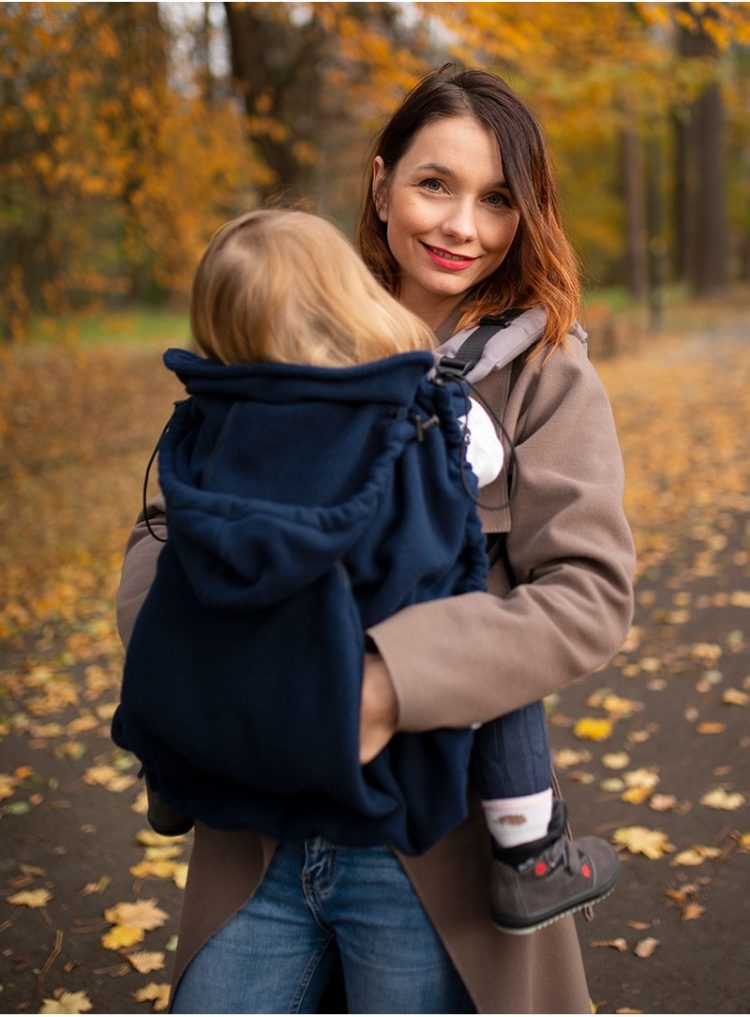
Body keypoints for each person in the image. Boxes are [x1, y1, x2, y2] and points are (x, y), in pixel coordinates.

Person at [115, 65, 635, 1013]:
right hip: (253, 834)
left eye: (496, 201)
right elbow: (170, 517)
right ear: (381, 182)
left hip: (433, 857)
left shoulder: (545, 378)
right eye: (435, 184)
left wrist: (388, 684)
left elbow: (588, 595)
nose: (461, 226)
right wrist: (189, 667)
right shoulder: (285, 317)